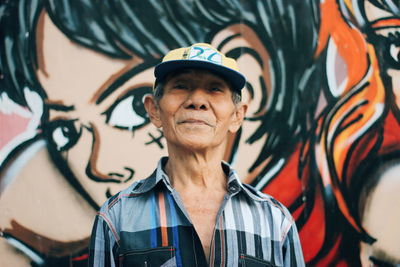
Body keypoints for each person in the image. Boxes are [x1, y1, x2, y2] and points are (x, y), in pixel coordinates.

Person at [89, 43, 305, 266]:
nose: (197, 101)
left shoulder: (275, 221)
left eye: (215, 89)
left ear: (237, 116)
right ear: (154, 109)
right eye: (181, 86)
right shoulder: (117, 217)